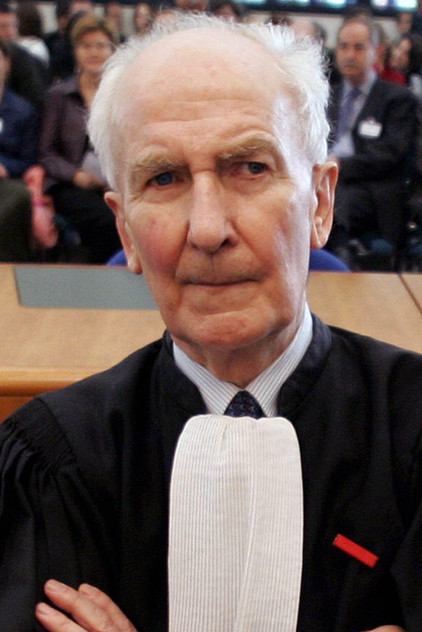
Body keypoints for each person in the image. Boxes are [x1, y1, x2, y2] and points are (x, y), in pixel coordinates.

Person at [0, 14, 420, 632]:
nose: (206, 229)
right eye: (163, 178)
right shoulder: (55, 459)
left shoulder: (413, 428)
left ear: (321, 202)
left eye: (249, 168)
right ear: (125, 231)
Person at [327, 17, 417, 265]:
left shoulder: (396, 98)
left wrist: (340, 164)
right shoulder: (328, 96)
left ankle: (339, 257)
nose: (349, 55)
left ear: (376, 51)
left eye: (358, 47)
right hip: (325, 179)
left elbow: (391, 152)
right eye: (343, 46)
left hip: (371, 190)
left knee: (338, 200)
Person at [38, 13, 121, 263]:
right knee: (107, 220)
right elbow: (46, 152)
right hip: (71, 183)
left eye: (101, 45)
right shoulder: (59, 96)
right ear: (76, 51)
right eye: (86, 46)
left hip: (114, 181)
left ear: (112, 50)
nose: (93, 52)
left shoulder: (122, 94)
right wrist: (76, 176)